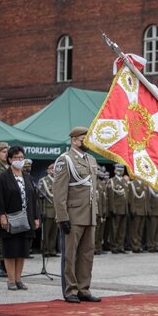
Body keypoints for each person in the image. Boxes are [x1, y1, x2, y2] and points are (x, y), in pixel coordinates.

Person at [53, 127, 101, 303]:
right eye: (83, 139)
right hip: (73, 215)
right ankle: (70, 290)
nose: (86, 142)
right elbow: (59, 192)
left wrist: (95, 213)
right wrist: (62, 216)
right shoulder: (65, 160)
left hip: (89, 214)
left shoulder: (91, 159)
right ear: (74, 140)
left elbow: (93, 190)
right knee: (70, 255)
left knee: (87, 254)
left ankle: (83, 288)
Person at [0, 145, 40, 290]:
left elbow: (33, 199)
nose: (19, 160)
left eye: (21, 157)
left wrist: (35, 217)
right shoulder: (3, 177)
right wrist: (2, 216)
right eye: (16, 158)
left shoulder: (27, 177)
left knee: (22, 250)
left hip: (26, 218)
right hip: (10, 218)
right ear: (10, 159)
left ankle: (18, 279)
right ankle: (10, 280)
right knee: (10, 250)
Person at [38, 163, 59, 257]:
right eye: (52, 169)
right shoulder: (44, 181)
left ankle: (52, 249)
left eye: (55, 169)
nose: (54, 171)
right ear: (48, 170)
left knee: (54, 232)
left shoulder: (59, 180)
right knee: (46, 232)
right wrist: (42, 211)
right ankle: (45, 249)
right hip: (48, 210)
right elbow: (40, 197)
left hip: (57, 211)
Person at [107, 164, 129, 254]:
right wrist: (112, 208)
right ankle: (114, 246)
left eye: (121, 170)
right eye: (118, 169)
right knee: (114, 229)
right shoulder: (112, 181)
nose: (120, 171)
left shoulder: (124, 181)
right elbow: (111, 196)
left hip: (124, 209)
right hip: (116, 209)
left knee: (122, 229)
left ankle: (121, 246)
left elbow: (127, 196)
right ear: (115, 171)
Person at [0, 141, 9, 278]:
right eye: (4, 152)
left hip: (8, 205)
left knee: (6, 236)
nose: (6, 154)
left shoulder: (10, 167)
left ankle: (6, 263)